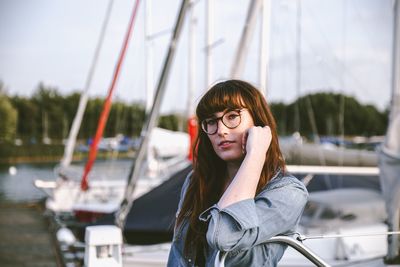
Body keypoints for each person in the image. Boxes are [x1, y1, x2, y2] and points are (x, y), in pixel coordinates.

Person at [167, 79, 308, 266]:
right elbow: (178, 256)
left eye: (232, 116)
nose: (221, 131)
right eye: (211, 122)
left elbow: (223, 237)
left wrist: (255, 154)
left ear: (258, 123)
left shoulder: (288, 193)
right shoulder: (196, 181)